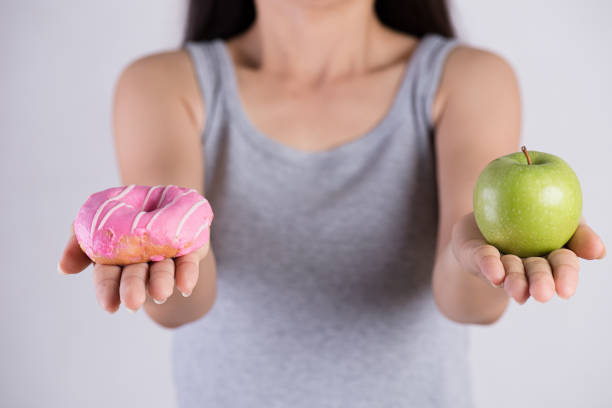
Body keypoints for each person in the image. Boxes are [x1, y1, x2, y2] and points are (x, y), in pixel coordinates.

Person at [58, 0, 606, 406]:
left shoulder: (468, 78)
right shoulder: (161, 83)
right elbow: (182, 304)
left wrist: (480, 256)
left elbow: (471, 304)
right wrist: (160, 263)